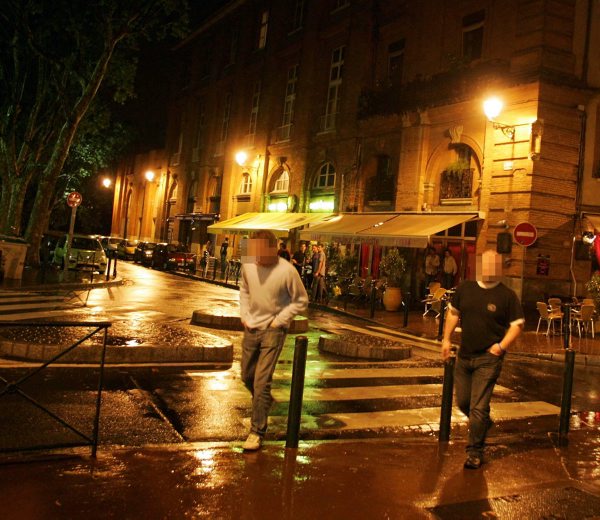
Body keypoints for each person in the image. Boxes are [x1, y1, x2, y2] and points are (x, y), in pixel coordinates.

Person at [442, 250, 524, 470]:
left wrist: (501, 346)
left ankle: (474, 452)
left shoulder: (507, 296)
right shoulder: (465, 289)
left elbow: (517, 324)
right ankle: (483, 424)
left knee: (478, 407)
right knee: (463, 402)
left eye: (493, 265)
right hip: (464, 356)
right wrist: (446, 339)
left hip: (488, 359)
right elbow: (453, 313)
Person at [239, 230, 308, 451]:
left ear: (273, 248)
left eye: (261, 253)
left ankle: (257, 431)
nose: (257, 258)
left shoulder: (287, 271)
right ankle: (264, 401)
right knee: (247, 376)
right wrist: (245, 315)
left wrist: (279, 321)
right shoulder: (248, 263)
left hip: (273, 329)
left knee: (261, 381)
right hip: (251, 326)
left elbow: (301, 300)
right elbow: (244, 289)